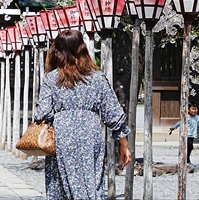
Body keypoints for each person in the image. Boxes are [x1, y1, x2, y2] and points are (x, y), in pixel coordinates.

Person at [34, 30, 131, 200]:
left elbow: (42, 113)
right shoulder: (98, 78)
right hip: (91, 131)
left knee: (60, 183)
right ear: (82, 49)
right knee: (92, 180)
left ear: (58, 51)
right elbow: (113, 114)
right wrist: (124, 145)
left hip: (62, 134)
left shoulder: (51, 78)